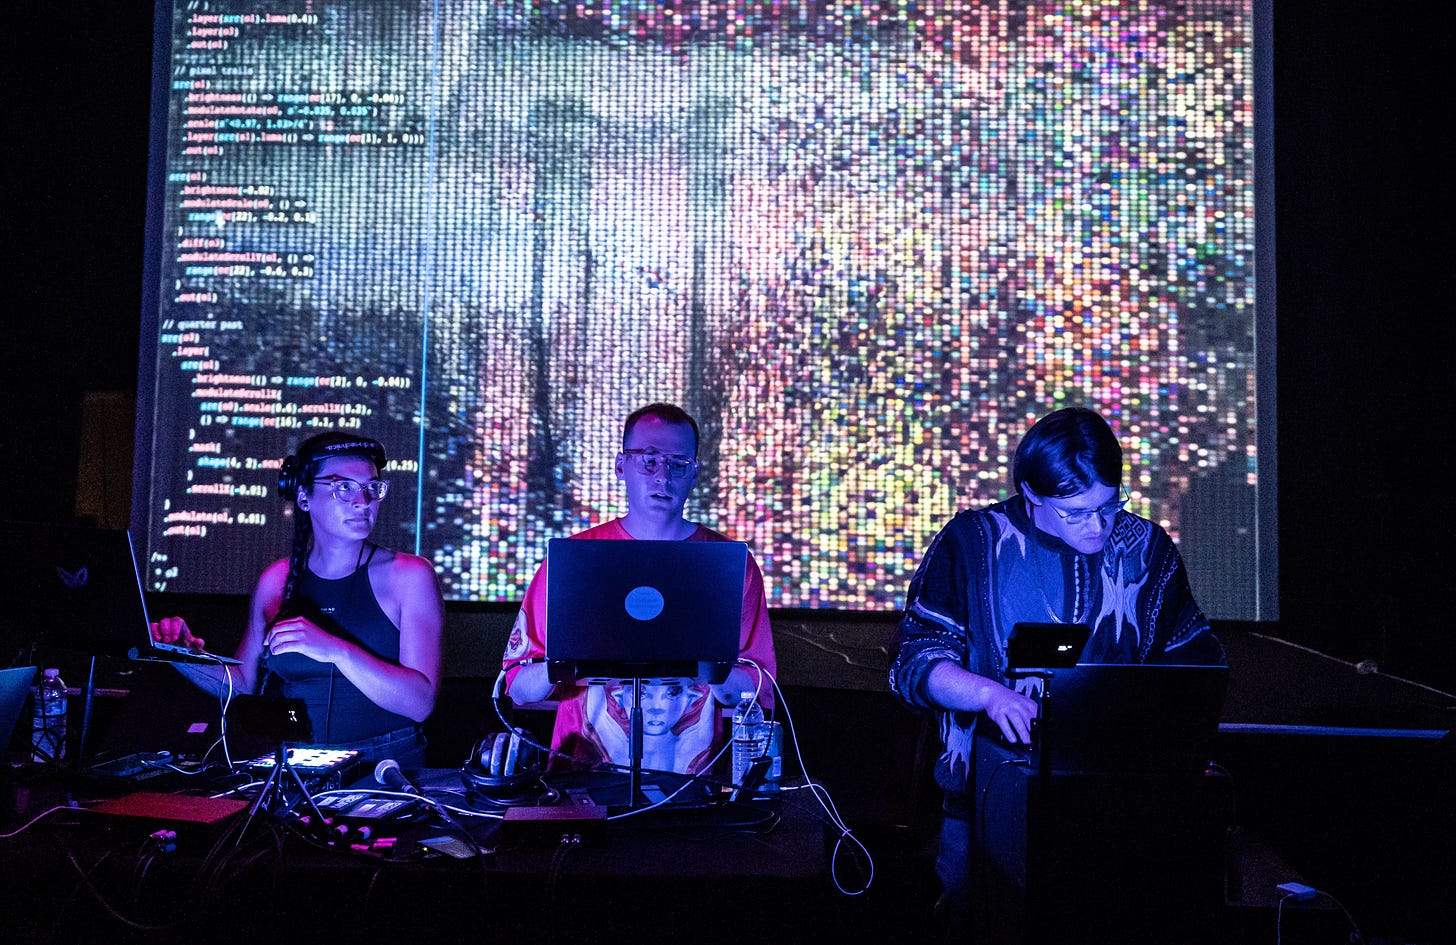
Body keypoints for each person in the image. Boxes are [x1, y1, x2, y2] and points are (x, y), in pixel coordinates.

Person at [887, 405, 1225, 940]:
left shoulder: (1147, 549)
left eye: (1109, 506)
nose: (1097, 526)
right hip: (984, 800)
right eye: (1074, 513)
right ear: (1031, 494)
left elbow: (1194, 661)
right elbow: (916, 661)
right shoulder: (973, 543)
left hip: (1118, 803)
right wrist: (991, 696)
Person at [501, 402, 777, 777]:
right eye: (649, 460)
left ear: (694, 474)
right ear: (621, 466)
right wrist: (572, 662)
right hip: (580, 778)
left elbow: (756, 692)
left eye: (678, 464)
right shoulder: (572, 562)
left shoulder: (732, 566)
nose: (662, 477)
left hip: (691, 781)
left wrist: (707, 665)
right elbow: (517, 688)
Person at [150, 433, 445, 770]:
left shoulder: (410, 575)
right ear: (303, 496)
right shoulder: (276, 580)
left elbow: (420, 703)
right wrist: (179, 654)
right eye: (343, 487)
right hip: (297, 762)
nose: (362, 500)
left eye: (371, 487)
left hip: (385, 763)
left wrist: (334, 649)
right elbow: (243, 684)